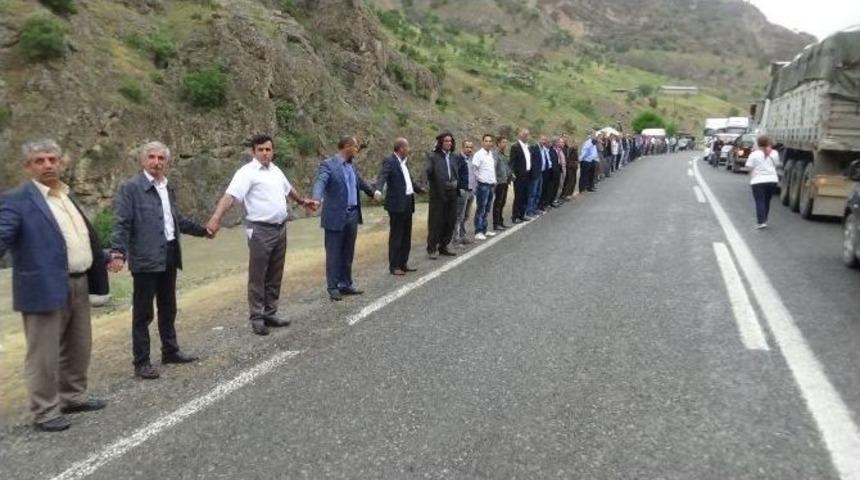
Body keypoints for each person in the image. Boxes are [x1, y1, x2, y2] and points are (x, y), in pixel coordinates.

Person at [0, 139, 108, 432]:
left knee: (79, 345)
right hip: (42, 286)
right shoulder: (16, 199)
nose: (47, 165)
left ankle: (72, 397)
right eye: (39, 160)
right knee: (43, 353)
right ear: (27, 167)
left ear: (61, 163)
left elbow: (76, 236)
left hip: (79, 282)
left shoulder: (63, 195)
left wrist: (103, 256)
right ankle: (45, 411)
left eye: (52, 159)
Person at [110, 141, 211, 379]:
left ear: (167, 162)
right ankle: (142, 361)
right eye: (152, 157)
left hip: (169, 254)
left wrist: (203, 230)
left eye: (161, 158)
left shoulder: (168, 187)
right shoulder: (130, 188)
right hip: (145, 258)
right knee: (143, 312)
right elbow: (121, 223)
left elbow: (177, 220)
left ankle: (170, 351)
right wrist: (117, 252)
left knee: (168, 307)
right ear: (143, 160)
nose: (156, 162)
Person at [207, 134, 315, 336]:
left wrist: (302, 202)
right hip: (260, 230)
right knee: (258, 275)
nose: (265, 153)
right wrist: (216, 218)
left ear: (273, 151)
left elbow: (288, 189)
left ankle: (270, 313)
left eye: (268, 149)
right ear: (253, 152)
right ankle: (257, 317)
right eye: (261, 150)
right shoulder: (246, 173)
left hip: (280, 228)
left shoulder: (275, 170)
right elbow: (230, 196)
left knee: (275, 273)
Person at [311, 136, 381, 301]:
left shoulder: (351, 166)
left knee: (348, 252)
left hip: (352, 214)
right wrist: (316, 198)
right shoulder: (328, 165)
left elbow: (360, 182)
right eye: (356, 147)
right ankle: (333, 287)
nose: (357, 150)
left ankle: (346, 284)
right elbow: (320, 182)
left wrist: (373, 192)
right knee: (334, 253)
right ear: (347, 147)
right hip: (335, 216)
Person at [374, 138, 424, 276]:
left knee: (406, 235)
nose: (409, 149)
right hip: (396, 205)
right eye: (407, 147)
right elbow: (382, 176)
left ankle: (403, 263)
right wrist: (378, 190)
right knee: (397, 235)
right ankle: (394, 265)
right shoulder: (390, 161)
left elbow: (409, 182)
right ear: (401, 148)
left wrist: (421, 190)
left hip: (408, 202)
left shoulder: (404, 163)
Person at [425, 131, 459, 259]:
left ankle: (444, 245)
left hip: (452, 192)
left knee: (450, 220)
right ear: (440, 143)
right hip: (438, 193)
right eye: (446, 141)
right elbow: (427, 172)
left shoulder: (454, 157)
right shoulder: (433, 156)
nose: (449, 143)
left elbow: (457, 173)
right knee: (436, 221)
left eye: (450, 141)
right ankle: (432, 248)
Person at [747, 136, 780, 229]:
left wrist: (751, 177)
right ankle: (764, 219)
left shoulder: (754, 154)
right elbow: (776, 165)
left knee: (759, 201)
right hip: (772, 180)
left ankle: (761, 222)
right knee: (767, 200)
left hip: (758, 181)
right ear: (768, 142)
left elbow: (749, 167)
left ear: (758, 143)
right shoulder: (775, 153)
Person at [471, 134, 497, 240]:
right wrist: (480, 179)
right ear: (482, 142)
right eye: (486, 141)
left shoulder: (491, 154)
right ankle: (478, 231)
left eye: (490, 141)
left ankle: (484, 229)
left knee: (487, 208)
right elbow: (474, 169)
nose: (488, 143)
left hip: (491, 184)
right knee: (481, 208)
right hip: (483, 184)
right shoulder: (479, 154)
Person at [509, 128, 535, 224]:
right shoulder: (515, 147)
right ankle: (515, 216)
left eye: (527, 135)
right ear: (520, 135)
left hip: (527, 174)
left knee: (525, 195)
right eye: (524, 134)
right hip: (519, 175)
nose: (526, 136)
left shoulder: (528, 147)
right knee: (518, 196)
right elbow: (512, 162)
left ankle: (522, 214)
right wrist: (512, 174)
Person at [452, 140, 475, 246]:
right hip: (462, 190)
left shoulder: (471, 159)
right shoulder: (458, 159)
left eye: (471, 147)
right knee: (458, 215)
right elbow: (455, 174)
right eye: (467, 147)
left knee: (466, 215)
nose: (469, 149)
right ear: (462, 148)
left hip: (471, 190)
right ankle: (455, 238)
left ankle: (462, 235)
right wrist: (459, 188)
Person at [492, 135, 514, 231]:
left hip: (505, 181)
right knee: (498, 203)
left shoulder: (504, 155)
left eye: (506, 142)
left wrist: (511, 175)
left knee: (502, 203)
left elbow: (507, 167)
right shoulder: (495, 154)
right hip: (499, 182)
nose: (505, 144)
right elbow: (494, 168)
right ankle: (496, 223)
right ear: (498, 143)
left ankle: (501, 221)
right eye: (503, 142)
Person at [528, 135, 551, 216]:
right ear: (539, 140)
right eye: (542, 139)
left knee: (538, 192)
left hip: (541, 172)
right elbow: (530, 160)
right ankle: (529, 210)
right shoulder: (534, 148)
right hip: (535, 173)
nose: (544, 141)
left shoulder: (544, 149)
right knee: (532, 193)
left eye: (545, 140)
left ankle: (535, 208)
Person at [560, 134, 579, 200]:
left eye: (566, 137)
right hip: (569, 167)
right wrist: (573, 163)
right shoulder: (570, 149)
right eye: (564, 137)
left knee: (573, 180)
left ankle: (570, 193)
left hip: (574, 167)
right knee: (569, 181)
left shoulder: (570, 148)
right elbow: (568, 158)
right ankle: (565, 194)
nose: (566, 139)